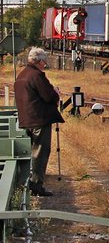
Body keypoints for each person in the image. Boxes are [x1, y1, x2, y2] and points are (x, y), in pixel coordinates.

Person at [15, 47, 65, 197]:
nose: (45, 64)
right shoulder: (37, 75)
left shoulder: (22, 74)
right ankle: (36, 186)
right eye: (44, 62)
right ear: (40, 61)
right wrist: (56, 93)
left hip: (26, 119)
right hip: (39, 120)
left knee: (31, 153)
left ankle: (28, 183)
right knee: (40, 153)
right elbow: (49, 96)